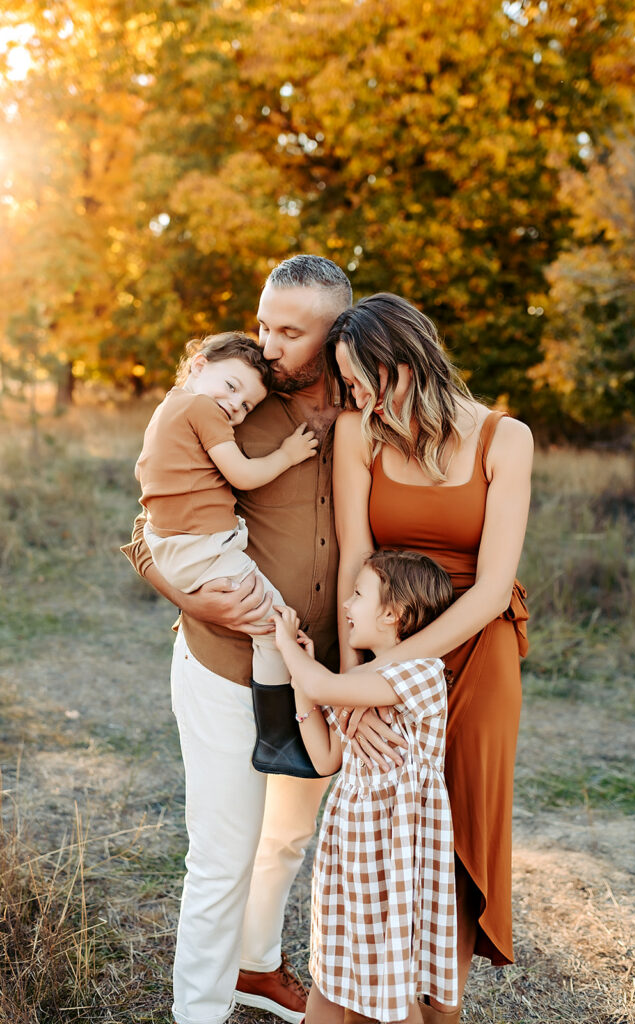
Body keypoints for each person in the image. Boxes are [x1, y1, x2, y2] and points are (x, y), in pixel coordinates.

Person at [122, 255, 363, 1024]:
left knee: (288, 838)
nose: (268, 345)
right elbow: (148, 524)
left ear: (337, 335)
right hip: (225, 659)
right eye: (262, 323)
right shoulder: (224, 402)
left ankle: (257, 970)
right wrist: (197, 600)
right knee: (222, 856)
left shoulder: (371, 403)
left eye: (289, 332)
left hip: (323, 673)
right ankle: (197, 1012)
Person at [326, 293, 533, 1024]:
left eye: (359, 381)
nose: (352, 397)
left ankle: (440, 1011)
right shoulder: (359, 435)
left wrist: (384, 678)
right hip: (382, 639)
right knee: (385, 818)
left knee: (460, 833)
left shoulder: (506, 440)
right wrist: (354, 686)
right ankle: (370, 989)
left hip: (478, 651)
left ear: (402, 367)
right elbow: (356, 557)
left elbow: (491, 589)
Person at [272, 549, 458, 1024]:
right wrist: (302, 682)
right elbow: (325, 757)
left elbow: (322, 687)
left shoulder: (423, 674)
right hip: (351, 849)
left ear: (393, 614)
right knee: (333, 969)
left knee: (391, 987)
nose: (347, 605)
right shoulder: (356, 680)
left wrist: (287, 649)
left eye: (358, 594)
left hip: (393, 854)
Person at [135, 331, 318, 691]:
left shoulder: (167, 409)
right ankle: (277, 726)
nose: (236, 405)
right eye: (232, 386)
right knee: (277, 626)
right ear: (199, 365)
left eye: (247, 405)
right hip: (204, 549)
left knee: (265, 624)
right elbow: (243, 475)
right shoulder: (201, 407)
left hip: (173, 546)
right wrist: (287, 455)